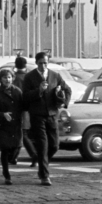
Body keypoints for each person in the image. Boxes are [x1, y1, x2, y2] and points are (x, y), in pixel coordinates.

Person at [22, 51, 68, 185]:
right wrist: (39, 91)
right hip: (37, 115)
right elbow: (25, 96)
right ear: (36, 63)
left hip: (52, 114)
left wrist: (63, 100)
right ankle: (44, 176)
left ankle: (42, 164)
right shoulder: (29, 77)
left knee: (54, 145)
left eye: (45, 63)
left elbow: (67, 89)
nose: (43, 66)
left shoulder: (55, 76)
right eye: (41, 63)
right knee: (42, 145)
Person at [0, 67, 25, 184]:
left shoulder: (17, 91)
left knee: (17, 147)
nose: (7, 80)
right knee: (4, 150)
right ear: (0, 79)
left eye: (9, 77)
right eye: (5, 77)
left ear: (12, 78)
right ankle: (7, 175)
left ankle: (13, 158)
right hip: (2, 127)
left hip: (15, 125)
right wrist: (3, 114)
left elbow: (23, 106)